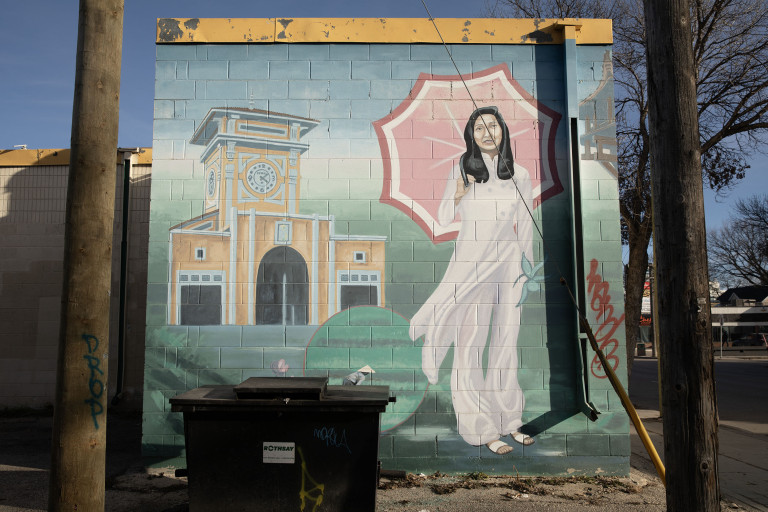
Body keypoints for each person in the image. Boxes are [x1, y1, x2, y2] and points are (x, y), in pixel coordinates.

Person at [409, 106, 535, 455]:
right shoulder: (463, 170)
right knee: (471, 342)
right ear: (471, 135)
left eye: (492, 124)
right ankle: (481, 428)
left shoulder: (520, 175)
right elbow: (444, 219)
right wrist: (458, 194)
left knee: (506, 341)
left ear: (503, 130)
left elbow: (525, 227)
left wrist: (529, 272)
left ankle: (511, 421)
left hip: (510, 263)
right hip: (470, 263)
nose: (486, 131)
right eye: (478, 127)